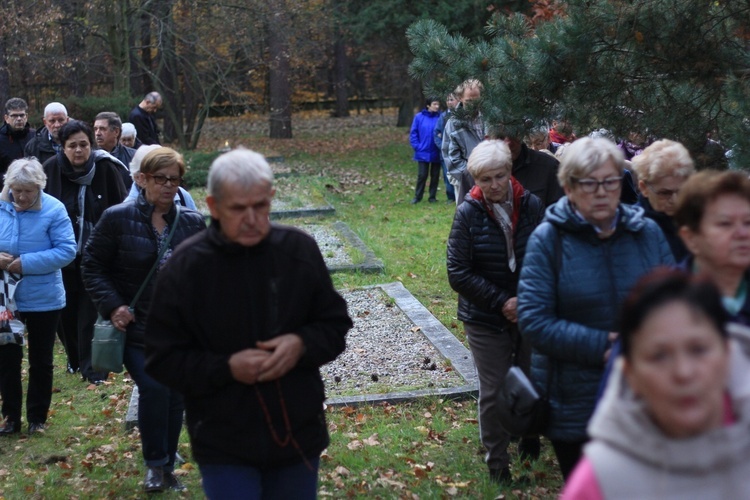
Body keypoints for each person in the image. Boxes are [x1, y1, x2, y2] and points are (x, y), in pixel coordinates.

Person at [144, 148, 352, 499]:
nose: (253, 218)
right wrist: (226, 368)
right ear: (213, 206)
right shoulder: (186, 268)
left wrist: (300, 344)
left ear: (271, 198)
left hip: (296, 431)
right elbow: (161, 358)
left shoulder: (298, 250)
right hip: (223, 439)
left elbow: (334, 325)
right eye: (239, 209)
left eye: (261, 205)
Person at [517, 137, 674, 480]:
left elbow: (676, 306)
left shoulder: (647, 233)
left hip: (644, 396)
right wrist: (605, 346)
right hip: (574, 402)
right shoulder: (549, 240)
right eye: (589, 183)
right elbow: (534, 321)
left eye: (610, 181)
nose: (601, 192)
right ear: (569, 187)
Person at [82, 147, 206, 493]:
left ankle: (167, 465)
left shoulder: (192, 222)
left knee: (175, 396)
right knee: (154, 388)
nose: (168, 186)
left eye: (174, 179)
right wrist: (113, 306)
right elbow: (92, 265)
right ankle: (155, 465)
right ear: (141, 179)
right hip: (136, 328)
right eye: (160, 179)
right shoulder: (116, 218)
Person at [563, 270, 750, 498]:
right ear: (630, 373)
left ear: (728, 355)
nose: (683, 373)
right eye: (659, 356)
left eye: (698, 349)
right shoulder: (601, 482)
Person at [447, 140, 544, 483]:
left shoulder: (532, 205)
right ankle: (497, 462)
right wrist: (502, 301)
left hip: (529, 309)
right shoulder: (468, 212)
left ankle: (530, 435)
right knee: (495, 387)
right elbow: (457, 272)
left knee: (531, 376)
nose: (493, 185)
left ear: (510, 173)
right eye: (484, 179)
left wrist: (526, 300)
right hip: (485, 315)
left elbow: (545, 258)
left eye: (499, 176)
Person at [43, 120, 128, 383]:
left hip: (97, 256)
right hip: (61, 255)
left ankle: (94, 370)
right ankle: (74, 359)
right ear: (62, 147)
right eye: (72, 146)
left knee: (91, 312)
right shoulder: (51, 170)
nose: (79, 151)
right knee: (65, 313)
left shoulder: (106, 168)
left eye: (84, 145)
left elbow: (121, 210)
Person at [0, 158, 76, 435]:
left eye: (28, 191)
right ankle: (10, 417)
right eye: (16, 190)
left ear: (39, 187)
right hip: (6, 299)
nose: (21, 197)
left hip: (44, 297)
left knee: (40, 360)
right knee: (7, 357)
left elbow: (67, 251)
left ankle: (37, 418)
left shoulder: (55, 209)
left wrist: (26, 263)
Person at [675, 170, 750, 325]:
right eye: (725, 223)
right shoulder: (660, 302)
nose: (743, 234)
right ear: (690, 238)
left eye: (748, 223)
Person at [631, 139, 695, 262]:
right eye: (665, 193)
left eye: (681, 191)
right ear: (644, 188)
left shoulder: (699, 220)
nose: (674, 200)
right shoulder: (633, 227)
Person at [442, 79, 485, 205]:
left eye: (477, 100)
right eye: (469, 101)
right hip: (466, 182)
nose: (473, 105)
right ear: (460, 98)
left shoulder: (490, 118)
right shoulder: (453, 124)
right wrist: (472, 178)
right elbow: (452, 158)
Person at [124, 144, 197, 210]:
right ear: (139, 178)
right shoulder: (123, 213)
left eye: (173, 178)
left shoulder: (182, 195)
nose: (168, 184)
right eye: (160, 178)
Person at [409, 98, 442, 204]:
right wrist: (417, 146)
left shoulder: (440, 117)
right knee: (422, 175)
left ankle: (432, 197)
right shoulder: (419, 117)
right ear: (428, 105)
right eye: (434, 104)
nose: (437, 106)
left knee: (435, 175)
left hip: (436, 151)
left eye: (438, 104)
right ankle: (418, 196)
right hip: (422, 151)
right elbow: (414, 133)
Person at [0, 98, 35, 189]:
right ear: (6, 118)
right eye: (14, 116)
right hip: (6, 190)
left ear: (26, 116)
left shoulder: (36, 137)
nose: (19, 119)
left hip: (34, 188)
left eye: (21, 115)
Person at [93, 111, 136, 176]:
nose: (97, 133)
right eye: (95, 129)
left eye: (102, 129)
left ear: (116, 132)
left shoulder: (133, 157)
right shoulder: (89, 157)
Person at [433, 93, 458, 202]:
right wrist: (443, 147)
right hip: (446, 153)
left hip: (459, 151)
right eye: (447, 100)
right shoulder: (442, 116)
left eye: (451, 100)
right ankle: (450, 197)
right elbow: (437, 134)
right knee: (447, 175)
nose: (449, 102)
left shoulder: (462, 115)